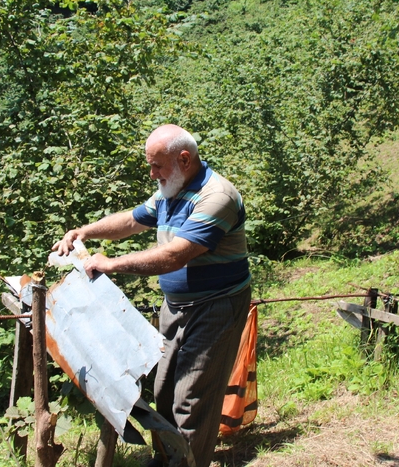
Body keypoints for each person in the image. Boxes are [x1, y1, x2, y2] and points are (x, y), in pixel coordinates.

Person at [52, 124, 252, 467]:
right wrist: (84, 231)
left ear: (184, 159)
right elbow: (131, 220)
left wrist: (110, 264)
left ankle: (188, 463)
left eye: (157, 165)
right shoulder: (169, 191)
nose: (151, 173)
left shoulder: (216, 196)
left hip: (216, 305)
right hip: (176, 306)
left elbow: (176, 255)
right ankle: (168, 458)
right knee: (163, 389)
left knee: (192, 399)